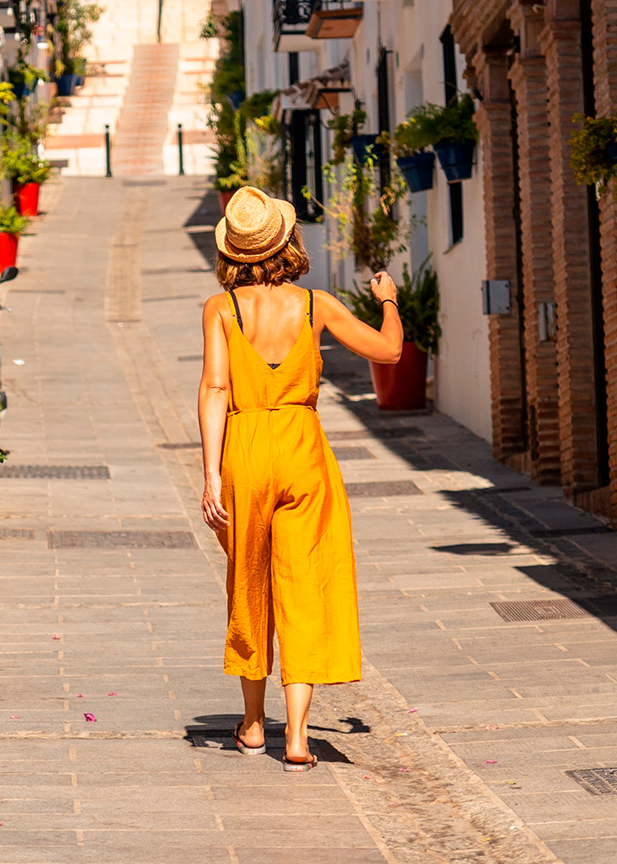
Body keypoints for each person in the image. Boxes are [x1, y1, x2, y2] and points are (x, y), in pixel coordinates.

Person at [197, 186, 405, 771]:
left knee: (250, 580)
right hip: (302, 448)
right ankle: (298, 737)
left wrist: (211, 476)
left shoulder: (220, 309)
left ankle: (254, 725)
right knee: (305, 582)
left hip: (244, 449)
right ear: (286, 241)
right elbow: (389, 353)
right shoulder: (316, 305)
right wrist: (387, 299)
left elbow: (214, 388)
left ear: (234, 251)